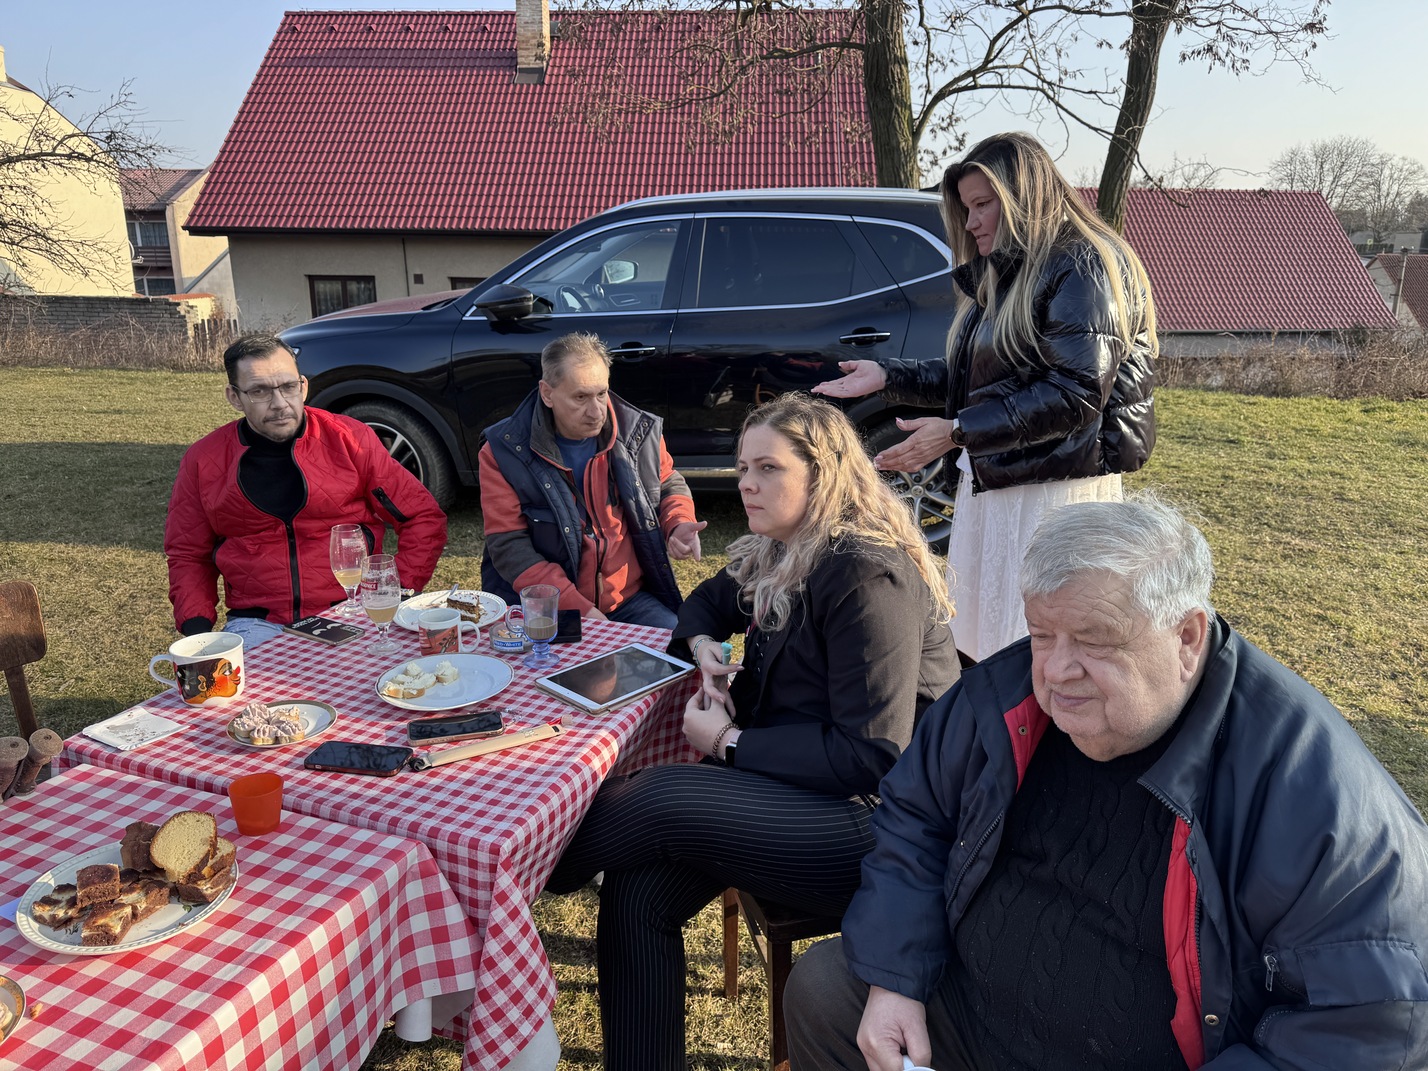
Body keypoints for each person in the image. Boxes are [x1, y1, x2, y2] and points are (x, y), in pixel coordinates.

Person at [784, 494, 1428, 1071]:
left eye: (1095, 641)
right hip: (974, 1017)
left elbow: (1366, 1024)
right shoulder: (1003, 697)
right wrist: (897, 977)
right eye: (1042, 634)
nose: (1056, 670)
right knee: (827, 990)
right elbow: (916, 816)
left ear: (1187, 636)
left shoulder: (1313, 793)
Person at [544, 394, 961, 1071]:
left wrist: (728, 744)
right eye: (743, 467)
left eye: (769, 467)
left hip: (877, 832)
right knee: (636, 890)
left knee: (657, 796)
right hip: (796, 789)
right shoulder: (785, 548)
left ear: (824, 474)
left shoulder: (865, 573)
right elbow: (707, 602)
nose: (747, 483)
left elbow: (873, 754)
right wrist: (704, 642)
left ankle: (519, 868)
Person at [814, 131, 1157, 662]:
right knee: (991, 642)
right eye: (966, 208)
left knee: (1038, 642)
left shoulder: (1082, 264)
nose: (970, 222)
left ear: (1023, 196)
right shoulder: (1010, 272)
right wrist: (887, 376)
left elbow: (1076, 392)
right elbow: (980, 378)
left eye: (982, 204)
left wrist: (956, 432)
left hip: (1052, 493)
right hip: (1004, 479)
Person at [164, 333, 447, 647]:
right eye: (259, 391)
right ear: (234, 397)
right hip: (257, 622)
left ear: (303, 386)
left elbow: (422, 516)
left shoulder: (351, 439)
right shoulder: (204, 460)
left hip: (351, 609)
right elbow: (187, 553)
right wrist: (198, 632)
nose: (279, 403)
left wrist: (398, 591)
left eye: (288, 387)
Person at [479, 331, 706, 630]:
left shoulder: (639, 433)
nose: (597, 411)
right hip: (546, 606)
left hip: (628, 600)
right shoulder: (503, 450)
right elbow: (509, 546)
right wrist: (581, 610)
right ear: (547, 393)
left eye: (602, 393)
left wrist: (677, 522)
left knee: (680, 647)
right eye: (581, 397)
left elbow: (666, 483)